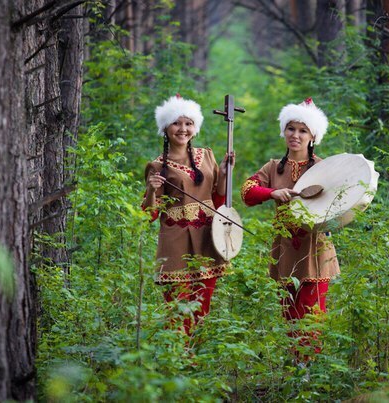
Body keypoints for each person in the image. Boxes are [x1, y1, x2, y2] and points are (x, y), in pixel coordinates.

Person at [240, 98, 340, 357]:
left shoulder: (324, 167)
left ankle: (308, 369)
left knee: (312, 311)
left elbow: (341, 202)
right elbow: (248, 192)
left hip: (315, 246)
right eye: (291, 128)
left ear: (312, 135)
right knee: (289, 312)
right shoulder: (274, 167)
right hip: (284, 246)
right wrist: (273, 192)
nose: (295, 135)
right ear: (284, 131)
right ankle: (297, 365)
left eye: (303, 130)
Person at [142, 94, 232, 335]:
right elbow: (149, 214)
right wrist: (151, 189)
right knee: (178, 302)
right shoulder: (157, 165)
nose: (182, 129)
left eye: (188, 123)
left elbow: (218, 198)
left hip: (206, 236)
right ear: (165, 128)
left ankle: (196, 356)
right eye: (176, 123)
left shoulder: (208, 156)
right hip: (176, 239)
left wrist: (223, 173)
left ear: (195, 127)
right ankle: (179, 357)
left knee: (203, 301)